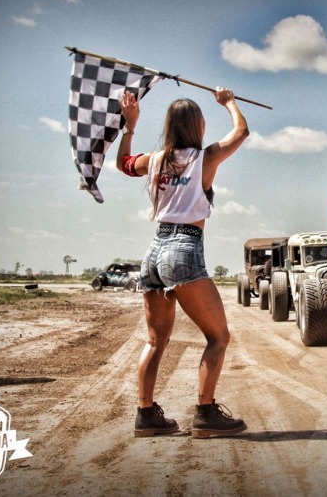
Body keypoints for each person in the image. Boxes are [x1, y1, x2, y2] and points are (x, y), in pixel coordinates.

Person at [117, 87, 249, 439]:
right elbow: (241, 132)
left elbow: (124, 164)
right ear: (198, 126)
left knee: (154, 340)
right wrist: (229, 102)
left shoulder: (155, 160)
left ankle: (147, 416)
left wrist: (130, 126)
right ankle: (205, 413)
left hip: (154, 251)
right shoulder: (204, 158)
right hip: (184, 248)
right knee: (218, 337)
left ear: (170, 126)